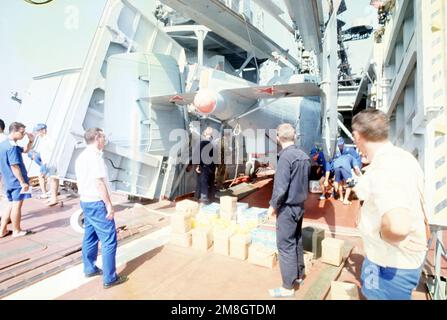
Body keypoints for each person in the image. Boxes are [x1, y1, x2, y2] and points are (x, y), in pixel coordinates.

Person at [352, 109, 429, 300]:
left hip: (390, 268)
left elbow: (397, 226)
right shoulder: (402, 157)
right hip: (377, 259)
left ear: (357, 136)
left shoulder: (385, 167)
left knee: (374, 295)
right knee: (368, 292)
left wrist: (384, 235)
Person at [74, 128, 128, 289]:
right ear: (97, 138)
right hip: (97, 204)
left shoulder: (81, 156)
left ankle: (89, 268)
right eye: (103, 136)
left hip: (86, 202)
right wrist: (109, 204)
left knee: (90, 236)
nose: (105, 139)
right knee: (109, 240)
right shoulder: (94, 157)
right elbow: (98, 183)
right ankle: (110, 278)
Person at [267, 123, 310, 298]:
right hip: (300, 206)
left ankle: (287, 286)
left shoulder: (285, 158)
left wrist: (272, 206)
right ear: (294, 137)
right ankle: (299, 275)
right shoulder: (303, 156)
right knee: (296, 240)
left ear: (278, 138)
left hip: (287, 208)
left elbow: (281, 188)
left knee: (285, 245)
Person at [0, 122, 35, 238]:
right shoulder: (12, 147)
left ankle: (2, 229)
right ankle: (16, 230)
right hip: (16, 181)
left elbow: (25, 150)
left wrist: (30, 141)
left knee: (10, 205)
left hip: (8, 180)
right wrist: (22, 182)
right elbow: (14, 166)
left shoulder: (5, 144)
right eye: (22, 132)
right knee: (17, 206)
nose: (23, 134)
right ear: (14, 131)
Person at [32, 124, 60, 206]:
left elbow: (54, 151)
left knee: (53, 179)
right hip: (46, 163)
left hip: (50, 163)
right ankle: (52, 197)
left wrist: (49, 163)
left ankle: (53, 198)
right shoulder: (43, 140)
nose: (37, 133)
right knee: (52, 179)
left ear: (43, 130)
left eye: (38, 131)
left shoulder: (49, 140)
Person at [195, 126, 216, 204]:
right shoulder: (213, 144)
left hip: (204, 166)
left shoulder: (202, 143)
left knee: (203, 182)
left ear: (204, 134)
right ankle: (212, 198)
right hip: (211, 167)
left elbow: (197, 155)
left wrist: (197, 166)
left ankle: (203, 199)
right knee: (211, 183)